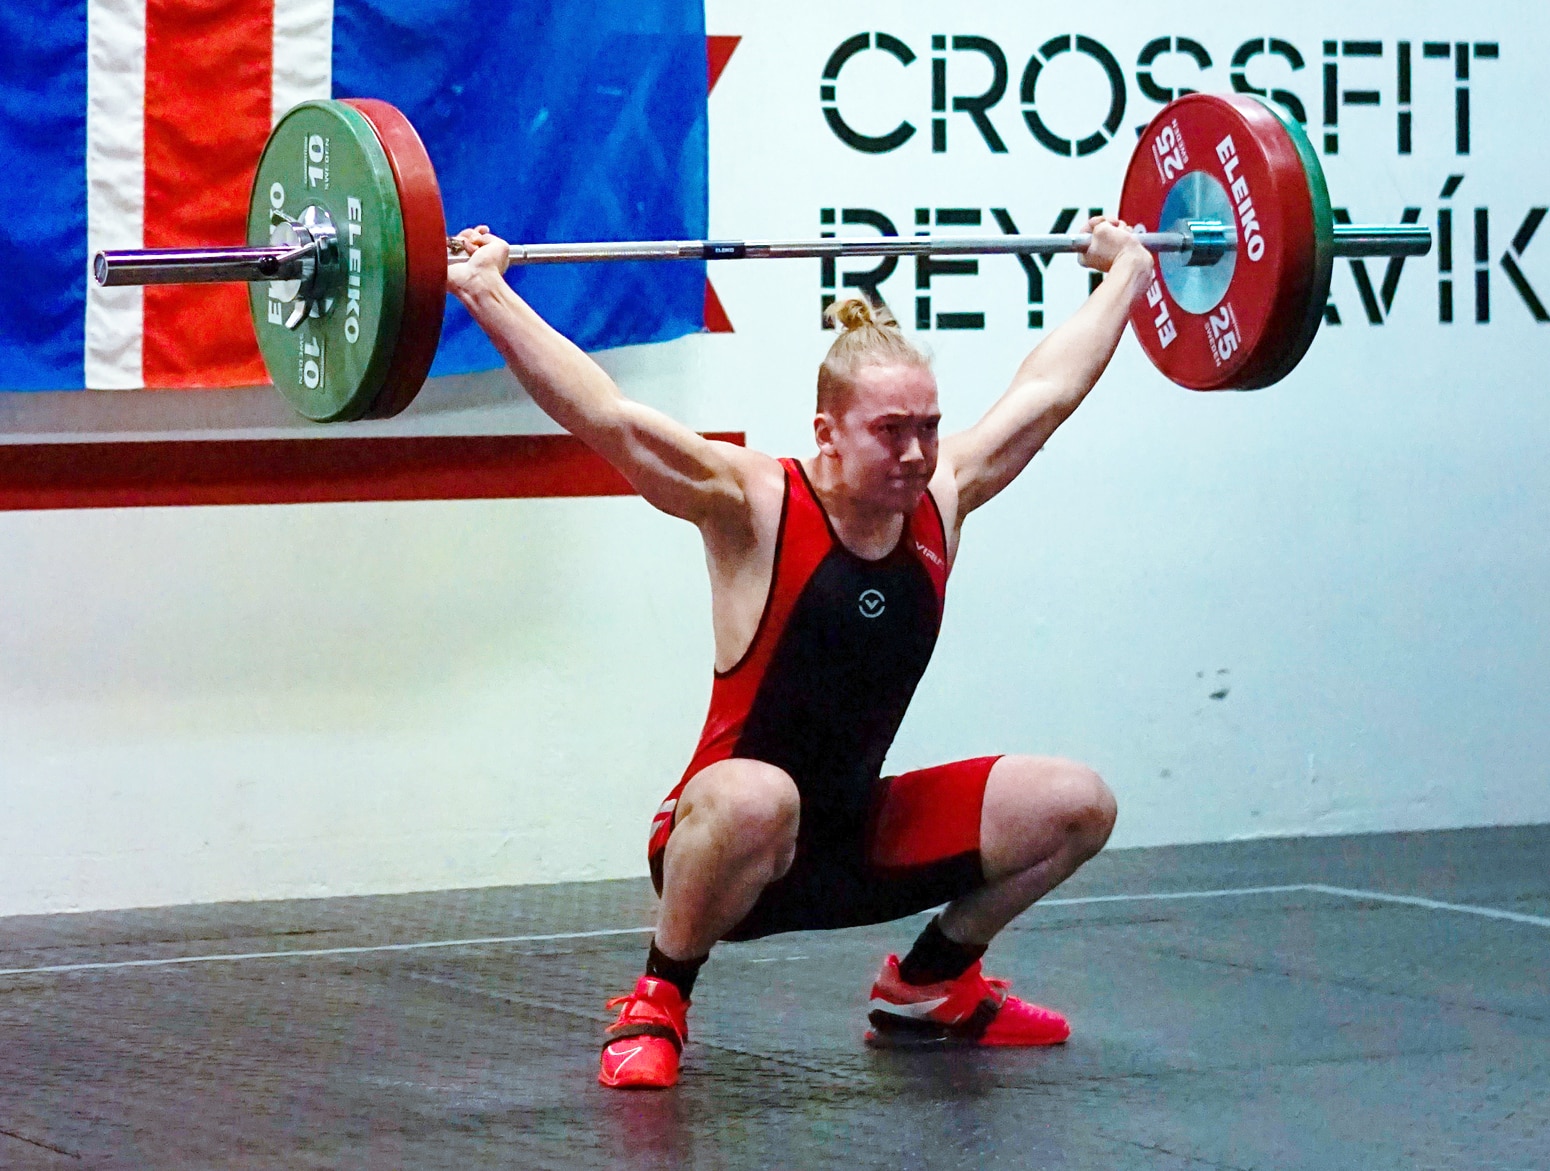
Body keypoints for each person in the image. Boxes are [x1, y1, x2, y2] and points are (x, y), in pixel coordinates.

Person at [447, 217, 1152, 1089]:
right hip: (729, 845)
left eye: (928, 428)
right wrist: (485, 289)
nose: (916, 453)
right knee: (759, 794)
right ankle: (659, 998)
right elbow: (607, 417)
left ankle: (931, 984)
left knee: (1078, 803)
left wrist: (1127, 272)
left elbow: (1046, 393)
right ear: (827, 431)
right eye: (890, 430)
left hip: (855, 839)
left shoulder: (942, 498)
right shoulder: (754, 503)